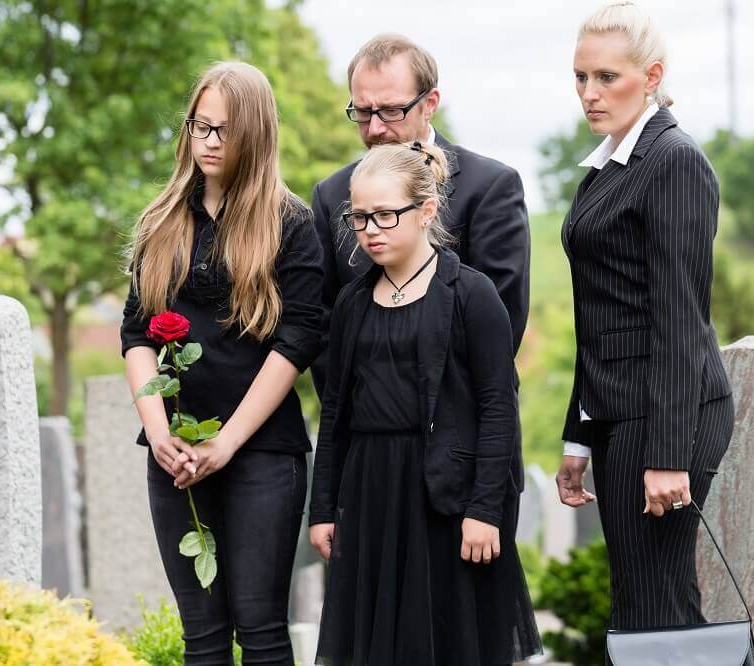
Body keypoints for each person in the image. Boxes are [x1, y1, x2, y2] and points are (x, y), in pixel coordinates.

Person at [120, 61, 324, 665]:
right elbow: (135, 335)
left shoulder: (291, 224)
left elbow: (298, 340)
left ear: (255, 135)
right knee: (202, 638)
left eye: (224, 130)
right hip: (174, 452)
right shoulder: (162, 221)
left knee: (260, 632)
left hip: (260, 453)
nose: (207, 141)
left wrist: (228, 443)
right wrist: (159, 434)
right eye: (199, 126)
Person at [308, 141, 541, 666]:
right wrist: (323, 508)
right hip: (371, 492)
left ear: (427, 211)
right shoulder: (351, 302)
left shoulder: (471, 295)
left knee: (448, 643)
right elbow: (336, 412)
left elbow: (497, 407)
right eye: (359, 217)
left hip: (445, 497)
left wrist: (485, 511)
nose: (370, 230)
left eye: (386, 215)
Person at [553, 0, 735, 649]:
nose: (589, 93)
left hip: (664, 420)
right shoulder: (608, 166)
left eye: (607, 77)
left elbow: (681, 322)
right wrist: (578, 437)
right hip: (617, 416)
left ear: (651, 75)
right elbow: (596, 316)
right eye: (581, 77)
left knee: (656, 613)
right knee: (645, 610)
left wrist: (666, 456)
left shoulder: (674, 161)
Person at [310, 33, 531, 390]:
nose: (376, 128)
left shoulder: (490, 187)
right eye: (363, 112)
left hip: (462, 423)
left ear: (430, 103)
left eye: (392, 110)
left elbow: (501, 322)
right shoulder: (331, 194)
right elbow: (321, 324)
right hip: (362, 428)